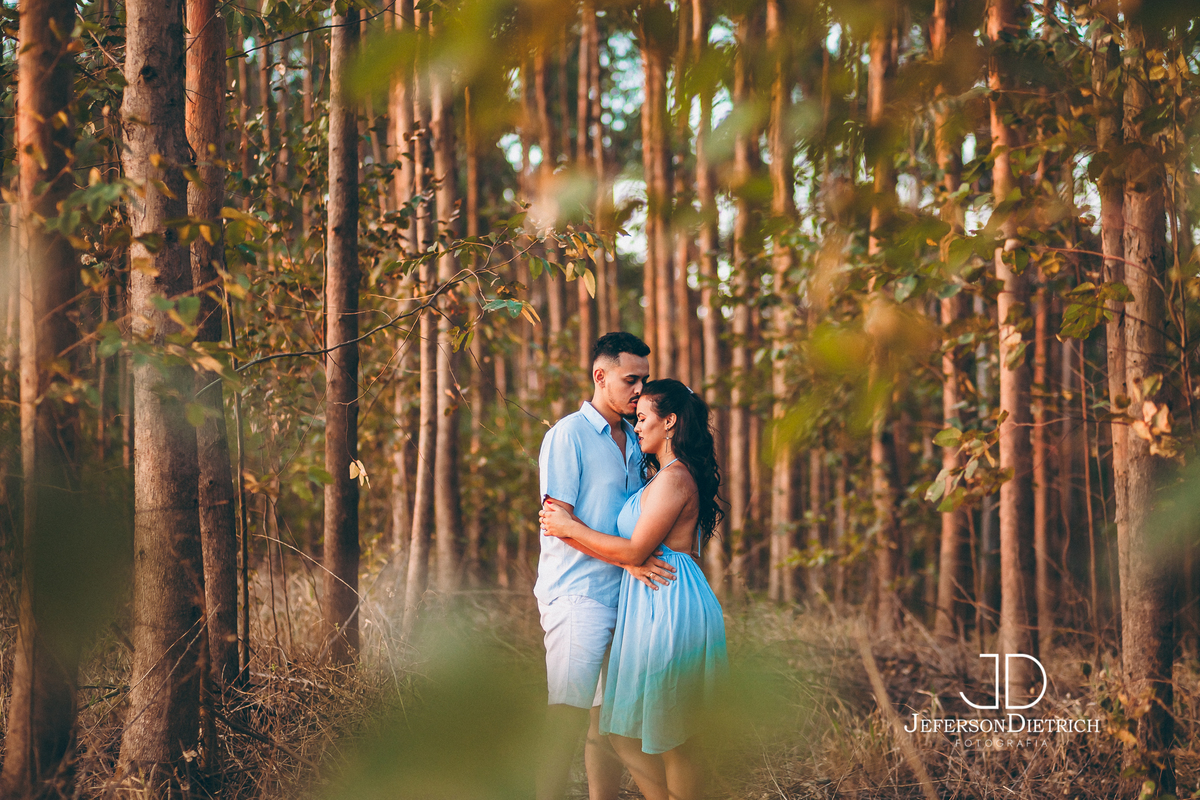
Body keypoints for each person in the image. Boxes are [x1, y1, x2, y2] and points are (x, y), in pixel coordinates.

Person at [540, 379, 728, 800]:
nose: (637, 426)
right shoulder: (659, 476)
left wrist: (570, 527)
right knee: (624, 732)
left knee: (670, 735)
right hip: (648, 602)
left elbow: (637, 548)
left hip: (670, 603)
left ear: (670, 421)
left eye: (644, 418)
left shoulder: (676, 478)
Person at [534, 332, 678, 800]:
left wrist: (633, 562)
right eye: (630, 379)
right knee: (567, 716)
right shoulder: (566, 436)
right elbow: (558, 522)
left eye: (644, 380)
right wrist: (630, 558)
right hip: (577, 596)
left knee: (608, 722)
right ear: (601, 376)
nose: (640, 390)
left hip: (627, 597)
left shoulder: (637, 441)